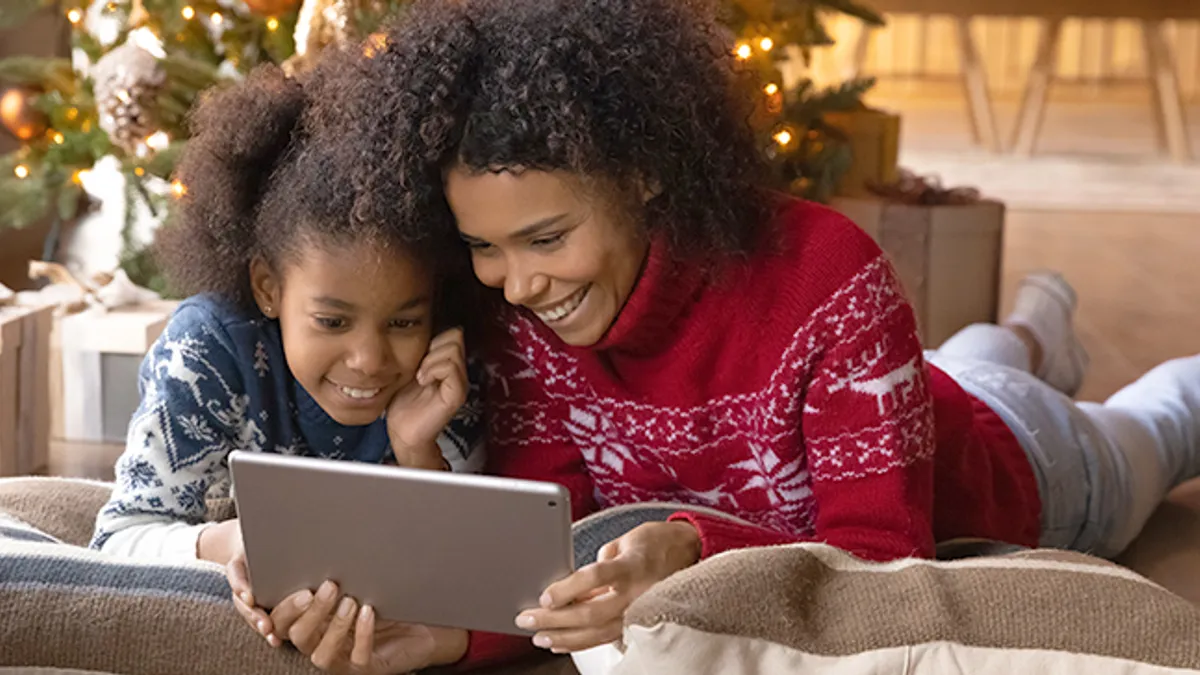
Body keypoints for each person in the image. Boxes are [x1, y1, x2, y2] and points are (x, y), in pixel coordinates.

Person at [258, 0, 1200, 671]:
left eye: (547, 238)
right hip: (915, 384)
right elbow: (554, 557)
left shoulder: (827, 272)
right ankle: (1035, 323)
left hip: (1021, 457)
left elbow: (879, 555)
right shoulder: (518, 311)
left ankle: (1041, 341)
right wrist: (460, 638)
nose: (520, 282)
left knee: (1161, 417)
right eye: (483, 249)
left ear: (645, 178)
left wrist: (686, 543)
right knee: (974, 351)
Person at [88, 64, 485, 671]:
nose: (370, 360)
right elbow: (118, 538)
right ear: (268, 288)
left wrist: (416, 450)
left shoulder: (445, 368)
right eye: (332, 321)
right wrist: (232, 543)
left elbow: (471, 572)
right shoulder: (208, 351)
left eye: (403, 321)